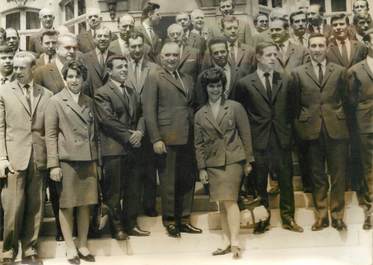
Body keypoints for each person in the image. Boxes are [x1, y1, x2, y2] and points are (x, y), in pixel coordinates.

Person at [236, 42, 304, 234]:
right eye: (268, 55)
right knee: (259, 180)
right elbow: (242, 114)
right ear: (258, 57)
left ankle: (288, 218)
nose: (273, 58)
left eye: (275, 54)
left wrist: (287, 132)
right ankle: (262, 218)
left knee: (285, 179)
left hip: (281, 138)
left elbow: (293, 109)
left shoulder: (286, 80)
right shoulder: (244, 83)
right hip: (258, 139)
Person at [143, 42, 202, 238]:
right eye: (167, 55)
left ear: (180, 57)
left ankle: (184, 219)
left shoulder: (187, 77)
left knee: (187, 179)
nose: (171, 58)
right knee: (168, 181)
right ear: (161, 57)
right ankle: (169, 220)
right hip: (167, 137)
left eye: (175, 55)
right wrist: (156, 138)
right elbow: (149, 111)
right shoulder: (154, 77)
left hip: (188, 136)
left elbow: (191, 105)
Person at [292, 33, 349, 231]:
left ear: (327, 47)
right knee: (317, 175)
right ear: (308, 48)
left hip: (336, 129)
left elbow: (347, 101)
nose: (317, 49)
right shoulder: (298, 73)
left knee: (338, 174)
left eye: (321, 45)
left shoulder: (340, 71)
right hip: (310, 131)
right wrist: (301, 128)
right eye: (313, 46)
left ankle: (338, 215)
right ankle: (322, 216)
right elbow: (293, 105)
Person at [194, 67, 253, 259]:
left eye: (218, 85)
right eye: (211, 86)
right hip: (213, 163)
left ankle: (235, 242)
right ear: (206, 88)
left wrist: (248, 161)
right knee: (221, 203)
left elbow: (245, 134)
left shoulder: (235, 107)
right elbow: (198, 144)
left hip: (233, 160)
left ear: (223, 86)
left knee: (230, 200)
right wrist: (202, 168)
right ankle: (227, 242)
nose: (215, 90)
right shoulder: (200, 114)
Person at [0, 51, 53, 265]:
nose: (17, 71)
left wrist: (51, 160)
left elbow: (49, 130)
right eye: (15, 67)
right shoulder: (3, 92)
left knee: (36, 205)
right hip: (14, 157)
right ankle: (8, 251)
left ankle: (30, 249)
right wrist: (2, 157)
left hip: (38, 157)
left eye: (22, 68)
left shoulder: (46, 94)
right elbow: (0, 128)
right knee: (13, 205)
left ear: (33, 69)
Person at [45, 60, 98, 264]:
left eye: (78, 76)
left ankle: (83, 245)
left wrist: (97, 161)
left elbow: (95, 135)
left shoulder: (89, 101)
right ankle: (69, 247)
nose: (74, 80)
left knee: (86, 204)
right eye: (70, 76)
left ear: (84, 79)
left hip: (88, 159)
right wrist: (54, 165)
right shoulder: (56, 101)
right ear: (65, 79)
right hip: (67, 161)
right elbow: (50, 135)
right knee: (67, 205)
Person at [95, 55, 151, 239]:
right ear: (109, 71)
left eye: (126, 66)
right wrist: (130, 136)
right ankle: (117, 228)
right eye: (120, 67)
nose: (125, 70)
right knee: (114, 192)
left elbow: (142, 115)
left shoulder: (132, 91)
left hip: (133, 149)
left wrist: (140, 133)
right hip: (114, 150)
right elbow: (108, 120)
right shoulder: (102, 93)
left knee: (133, 189)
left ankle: (131, 224)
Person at [126, 32, 158, 217]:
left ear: (144, 47)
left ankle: (149, 205)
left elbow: (153, 102)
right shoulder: (122, 67)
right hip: (129, 128)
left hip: (149, 124)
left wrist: (143, 129)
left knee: (149, 169)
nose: (137, 50)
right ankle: (132, 208)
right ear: (128, 48)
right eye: (133, 46)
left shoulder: (154, 68)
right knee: (132, 171)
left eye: (140, 46)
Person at [347, 28, 373, 230]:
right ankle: (370, 211)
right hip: (365, 124)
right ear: (367, 44)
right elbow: (350, 100)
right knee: (368, 168)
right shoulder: (355, 70)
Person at [81, 26, 115, 96]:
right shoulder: (84, 58)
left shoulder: (115, 58)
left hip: (111, 103)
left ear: (110, 39)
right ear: (94, 39)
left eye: (106, 36)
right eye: (99, 36)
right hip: (92, 102)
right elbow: (83, 84)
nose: (102, 39)